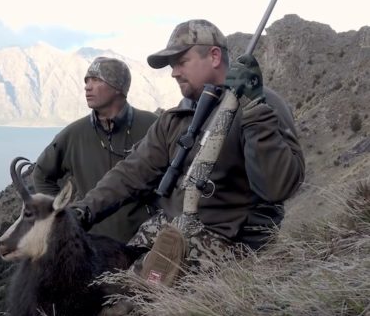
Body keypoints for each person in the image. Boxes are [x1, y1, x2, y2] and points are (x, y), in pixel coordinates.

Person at [71, 19, 306, 283]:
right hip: (170, 227)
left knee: (130, 301)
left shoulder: (261, 105)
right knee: (99, 279)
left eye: (181, 62)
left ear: (214, 56)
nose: (174, 73)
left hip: (230, 239)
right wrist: (83, 211)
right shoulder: (176, 118)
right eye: (172, 66)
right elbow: (131, 172)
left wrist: (255, 114)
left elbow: (279, 187)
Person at [32, 56, 158, 243]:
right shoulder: (74, 134)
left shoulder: (152, 125)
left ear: (118, 87)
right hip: (93, 250)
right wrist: (61, 213)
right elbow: (41, 174)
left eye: (96, 80)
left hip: (145, 246)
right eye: (86, 80)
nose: (87, 86)